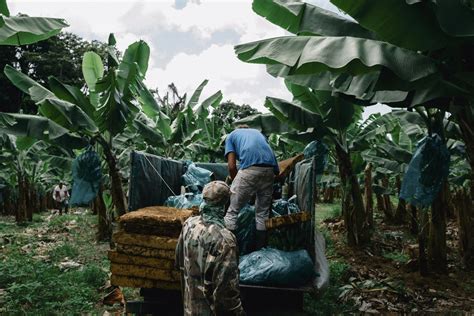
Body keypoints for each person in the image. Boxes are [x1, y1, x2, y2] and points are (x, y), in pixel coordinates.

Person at [176, 181, 245, 316]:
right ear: (225, 204)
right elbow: (226, 295)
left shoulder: (189, 224)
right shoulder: (225, 240)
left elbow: (179, 263)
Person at [223, 125, 279, 250]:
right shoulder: (259, 134)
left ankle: (229, 251)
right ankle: (261, 253)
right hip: (269, 169)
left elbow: (232, 167)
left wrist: (237, 186)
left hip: (250, 169)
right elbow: (276, 167)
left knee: (232, 211)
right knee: (262, 214)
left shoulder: (231, 135)